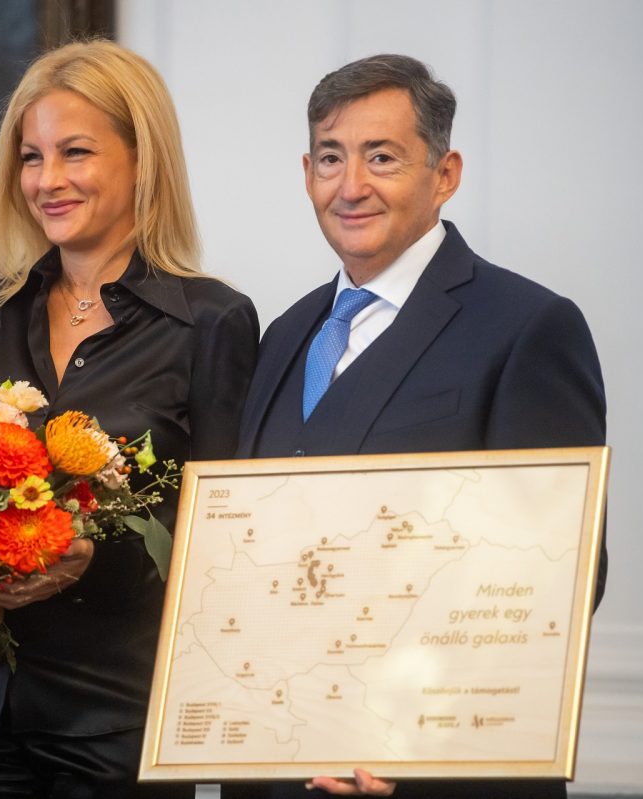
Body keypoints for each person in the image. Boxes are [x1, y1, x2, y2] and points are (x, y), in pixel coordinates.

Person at [225, 54, 606, 799]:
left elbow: (557, 571)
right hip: (277, 764)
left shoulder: (528, 327)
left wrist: (412, 740)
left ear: (445, 173)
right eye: (331, 158)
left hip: (426, 773)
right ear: (307, 173)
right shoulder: (284, 334)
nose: (351, 186)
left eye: (382, 158)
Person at [0, 40, 259, 799]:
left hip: (115, 722)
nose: (48, 180)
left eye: (75, 152)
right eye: (31, 158)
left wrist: (92, 557)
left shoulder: (212, 321)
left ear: (142, 161)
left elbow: (227, 541)